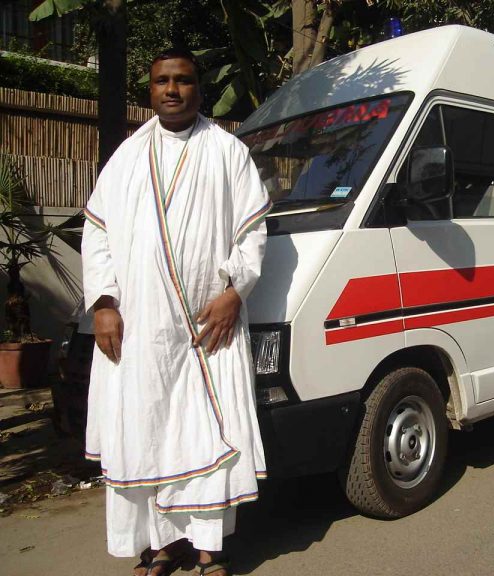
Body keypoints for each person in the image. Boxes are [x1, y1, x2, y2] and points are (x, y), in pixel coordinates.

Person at [81, 48, 272, 576]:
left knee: (206, 428)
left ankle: (210, 549)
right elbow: (97, 234)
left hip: (209, 326)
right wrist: (103, 303)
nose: (172, 89)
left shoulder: (228, 151)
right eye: (162, 80)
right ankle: (157, 547)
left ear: (198, 88)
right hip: (139, 328)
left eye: (183, 80)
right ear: (150, 89)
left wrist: (236, 291)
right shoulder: (126, 156)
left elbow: (253, 232)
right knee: (145, 430)